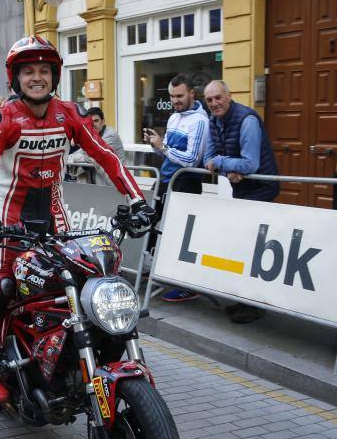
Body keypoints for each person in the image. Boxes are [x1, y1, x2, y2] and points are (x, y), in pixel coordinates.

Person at [0, 36, 152, 403]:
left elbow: (107, 157)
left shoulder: (70, 113)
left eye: (44, 70)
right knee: (2, 290)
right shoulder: (2, 119)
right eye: (28, 71)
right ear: (15, 78)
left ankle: (66, 356)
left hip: (54, 218)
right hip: (4, 220)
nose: (37, 77)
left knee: (79, 286)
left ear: (55, 75)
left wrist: (138, 200)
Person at [203, 79, 279, 323]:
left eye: (218, 98)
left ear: (229, 95)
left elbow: (250, 164)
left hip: (261, 189)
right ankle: (244, 301)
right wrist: (229, 170)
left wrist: (224, 165)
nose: (214, 103)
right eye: (209, 100)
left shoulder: (247, 120)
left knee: (254, 249)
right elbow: (208, 160)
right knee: (243, 247)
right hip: (241, 187)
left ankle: (255, 305)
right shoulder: (212, 121)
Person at [143, 74, 209, 303]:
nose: (175, 100)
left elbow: (191, 159)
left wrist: (163, 146)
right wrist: (156, 145)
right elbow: (167, 152)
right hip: (166, 179)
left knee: (182, 235)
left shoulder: (200, 120)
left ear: (192, 93)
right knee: (152, 223)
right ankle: (152, 270)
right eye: (172, 96)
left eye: (180, 96)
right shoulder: (173, 118)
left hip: (186, 182)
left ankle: (187, 285)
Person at [68, 107, 127, 185]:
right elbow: (74, 158)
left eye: (96, 121)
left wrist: (76, 158)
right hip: (97, 185)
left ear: (103, 122)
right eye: (90, 122)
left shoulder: (110, 135)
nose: (93, 124)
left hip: (114, 184)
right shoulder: (90, 136)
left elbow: (95, 156)